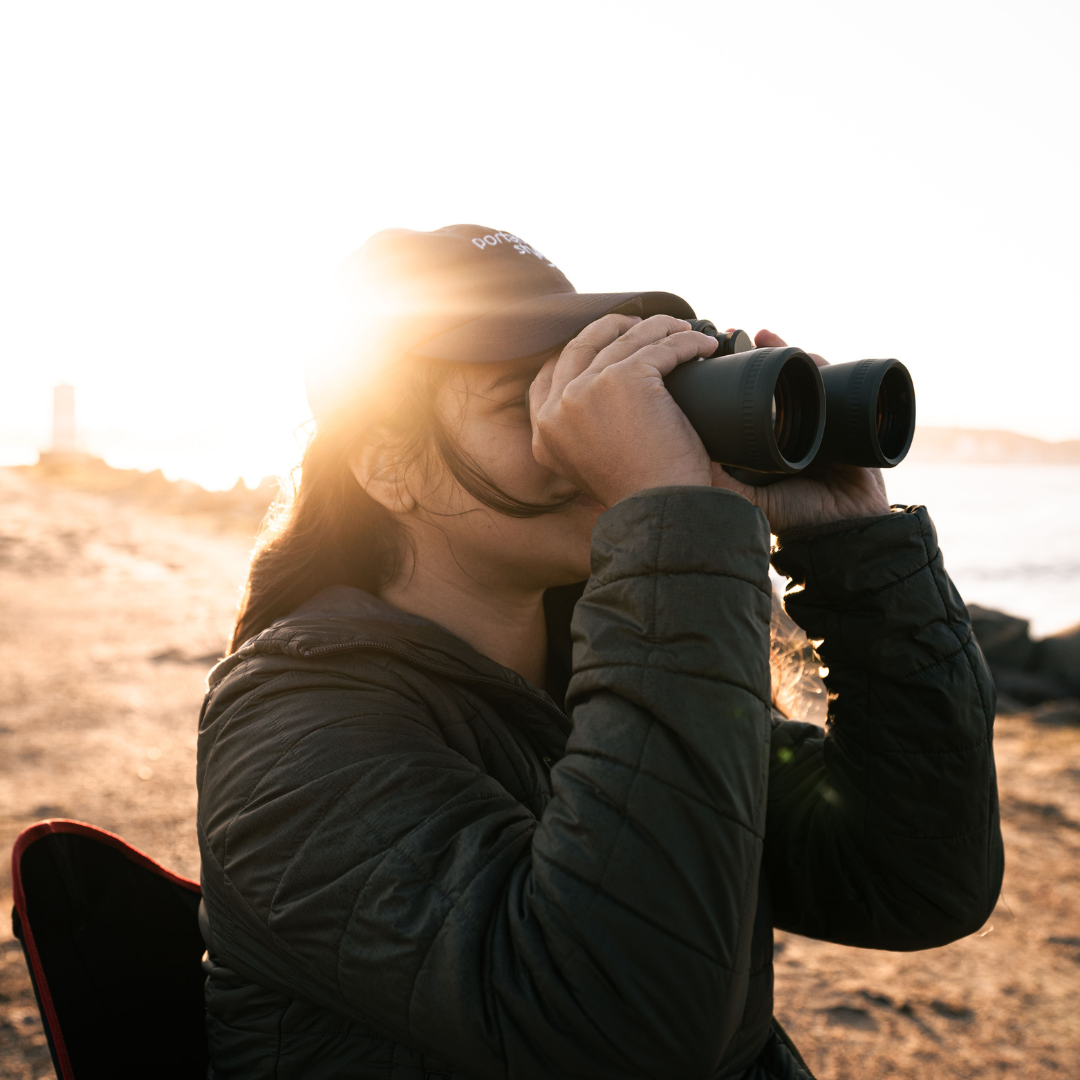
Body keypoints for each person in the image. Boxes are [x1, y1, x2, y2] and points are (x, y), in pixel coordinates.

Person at [196, 225, 1003, 1080]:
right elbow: (625, 1027)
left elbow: (918, 878)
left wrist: (857, 552)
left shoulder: (608, 671)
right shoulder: (291, 733)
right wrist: (673, 527)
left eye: (594, 390)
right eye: (528, 401)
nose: (588, 432)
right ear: (387, 465)